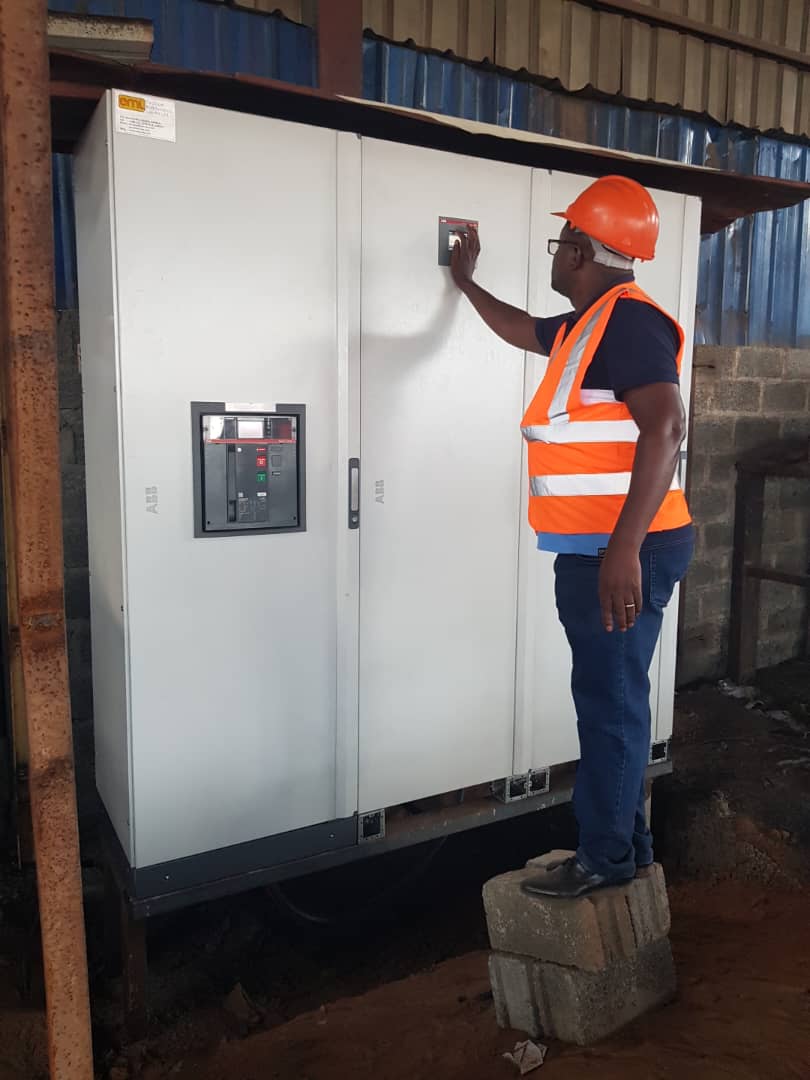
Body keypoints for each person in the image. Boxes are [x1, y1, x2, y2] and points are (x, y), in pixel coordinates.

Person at [450, 175, 694, 899]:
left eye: (560, 244)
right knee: (611, 696)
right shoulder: (590, 324)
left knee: (608, 704)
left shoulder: (629, 322)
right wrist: (466, 284)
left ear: (581, 249)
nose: (554, 256)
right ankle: (630, 845)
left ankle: (607, 860)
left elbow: (667, 425)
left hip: (622, 552)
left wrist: (621, 550)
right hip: (606, 549)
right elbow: (520, 327)